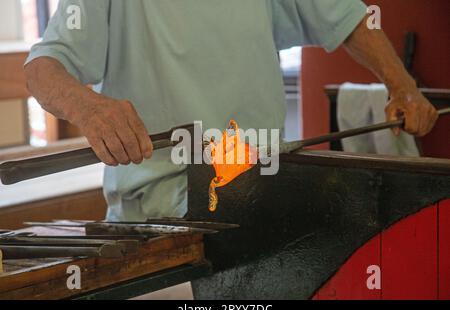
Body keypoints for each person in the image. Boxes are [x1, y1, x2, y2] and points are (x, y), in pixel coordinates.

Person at [24, 0, 438, 221]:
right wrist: (87, 106)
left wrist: (403, 87)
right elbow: (44, 66)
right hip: (161, 214)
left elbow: (346, 15)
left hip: (268, 194)